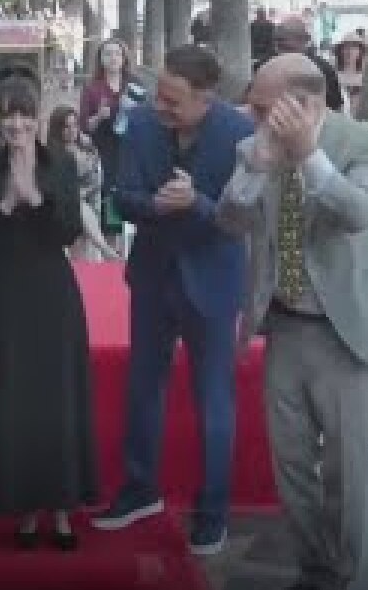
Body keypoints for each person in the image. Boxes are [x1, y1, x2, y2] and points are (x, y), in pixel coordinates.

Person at [217, 53, 368, 590]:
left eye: (263, 107)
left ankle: (336, 582)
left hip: (348, 331)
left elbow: (360, 213)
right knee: (291, 465)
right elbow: (229, 221)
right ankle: (312, 573)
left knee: (345, 467)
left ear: (304, 103)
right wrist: (254, 171)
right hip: (285, 326)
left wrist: (308, 154)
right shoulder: (253, 144)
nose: (252, 116)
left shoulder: (363, 141)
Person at [91, 45, 255, 554]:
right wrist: (155, 205)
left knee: (214, 398)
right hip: (153, 275)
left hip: (213, 279)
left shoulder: (241, 133)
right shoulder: (140, 123)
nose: (160, 105)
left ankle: (213, 512)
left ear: (206, 98)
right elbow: (121, 195)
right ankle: (139, 490)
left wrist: (198, 204)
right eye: (159, 94)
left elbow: (247, 217)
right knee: (143, 387)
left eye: (173, 100)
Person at [0, 66, 99, 549]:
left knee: (57, 401)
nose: (17, 125)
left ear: (37, 118)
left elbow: (68, 232)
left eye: (25, 115)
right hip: (5, 296)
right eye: (9, 116)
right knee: (17, 402)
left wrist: (38, 200)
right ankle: (25, 510)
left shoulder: (60, 164)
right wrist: (8, 202)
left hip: (52, 294)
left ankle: (62, 511)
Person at [79, 39, 143, 257]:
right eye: (107, 54)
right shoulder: (92, 88)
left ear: (124, 58)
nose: (113, 58)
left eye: (117, 53)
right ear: (100, 59)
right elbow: (84, 126)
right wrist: (99, 116)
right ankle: (112, 248)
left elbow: (147, 115)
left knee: (131, 192)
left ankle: (131, 248)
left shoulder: (135, 83)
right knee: (110, 195)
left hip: (131, 148)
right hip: (104, 149)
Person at [46, 105, 118, 262]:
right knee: (77, 208)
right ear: (58, 129)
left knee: (110, 204)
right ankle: (104, 248)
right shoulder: (53, 154)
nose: (72, 130)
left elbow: (97, 174)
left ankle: (104, 251)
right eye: (66, 126)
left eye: (74, 125)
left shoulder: (86, 146)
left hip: (94, 199)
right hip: (66, 205)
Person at [270, 17, 344, 111]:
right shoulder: (267, 67)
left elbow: (335, 106)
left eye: (287, 47)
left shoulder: (323, 69)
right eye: (279, 44)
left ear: (304, 41)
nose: (282, 52)